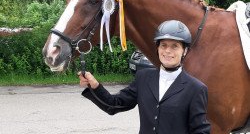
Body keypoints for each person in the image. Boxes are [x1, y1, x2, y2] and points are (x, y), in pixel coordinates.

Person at [78, 20, 211, 134]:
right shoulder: (144, 77)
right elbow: (114, 105)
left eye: (174, 46)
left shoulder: (196, 89)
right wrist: (95, 86)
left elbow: (200, 131)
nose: (168, 51)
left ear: (184, 51)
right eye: (163, 45)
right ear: (157, 48)